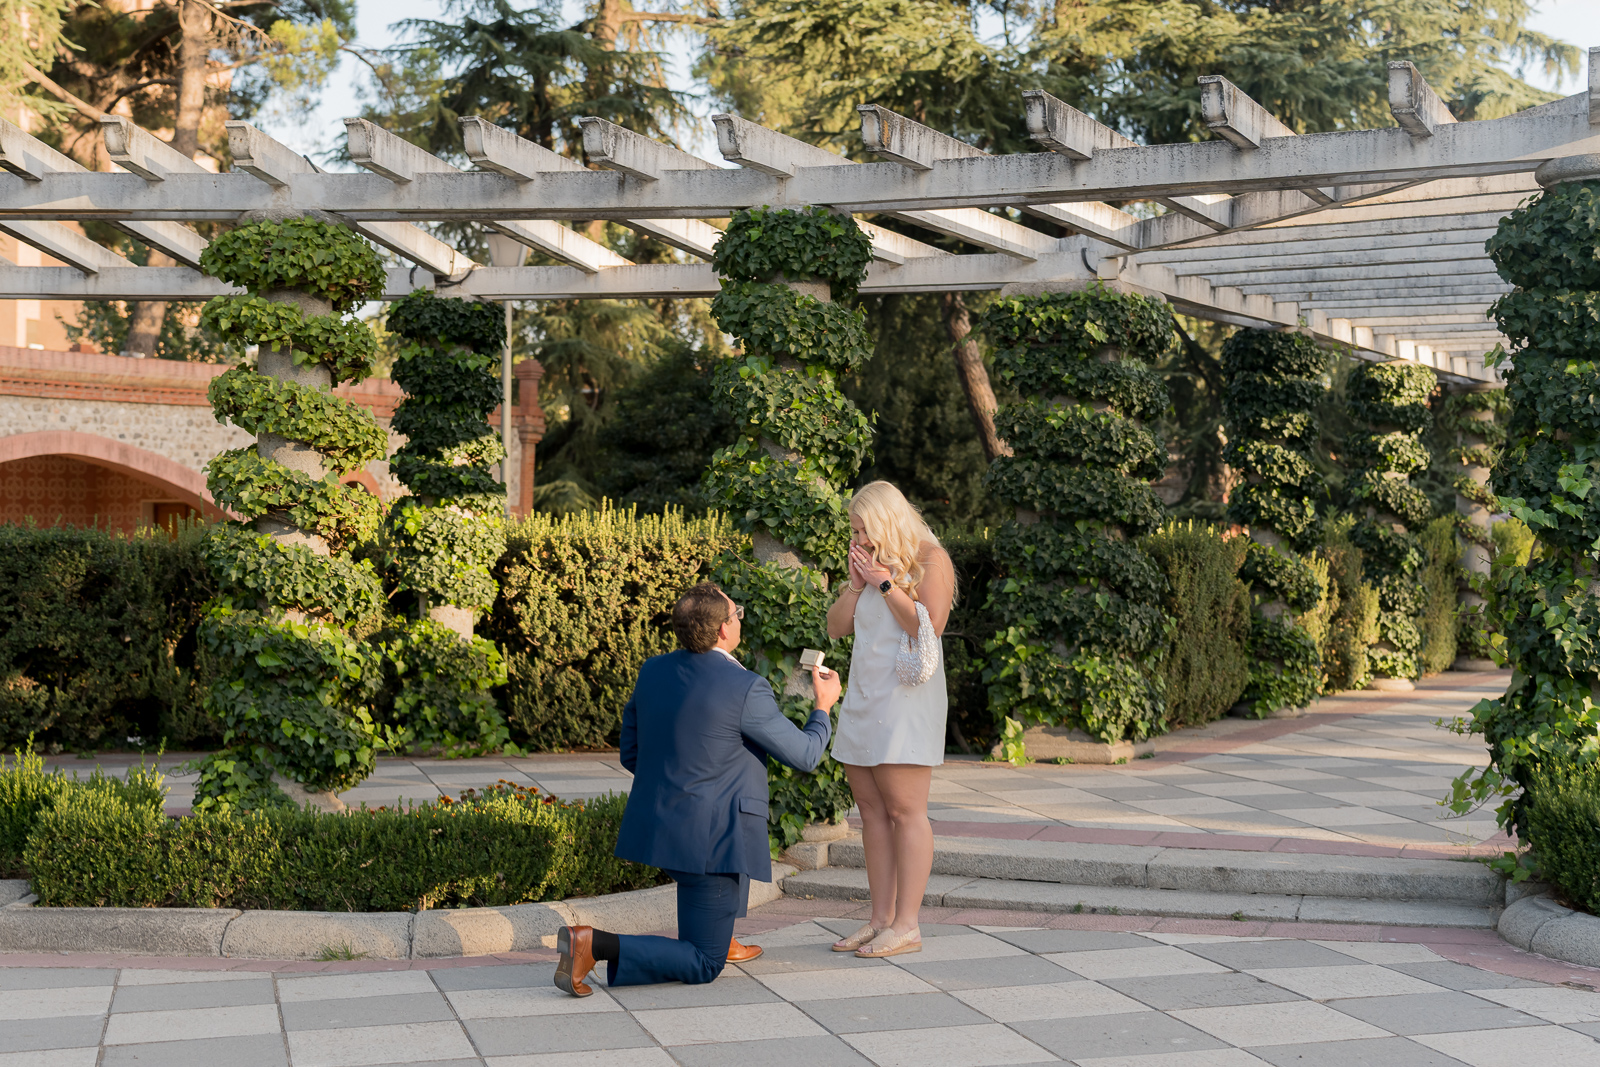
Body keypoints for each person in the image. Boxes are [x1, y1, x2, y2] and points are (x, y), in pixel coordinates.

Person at [554, 580, 840, 996]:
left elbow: (631, 752)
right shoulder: (745, 687)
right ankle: (592, 944)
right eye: (737, 612)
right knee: (705, 963)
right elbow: (806, 755)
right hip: (712, 840)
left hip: (663, 826)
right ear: (724, 629)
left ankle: (719, 932)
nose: (740, 618)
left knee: (707, 906)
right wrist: (823, 706)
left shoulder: (653, 669)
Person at [825, 480, 955, 959]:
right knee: (871, 813)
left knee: (905, 811)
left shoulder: (929, 559)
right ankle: (879, 919)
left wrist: (884, 582)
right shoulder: (864, 563)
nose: (857, 539)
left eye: (863, 529)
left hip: (906, 700)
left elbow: (930, 627)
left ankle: (908, 925)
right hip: (864, 697)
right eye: (855, 531)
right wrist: (857, 586)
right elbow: (836, 627)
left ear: (885, 520)